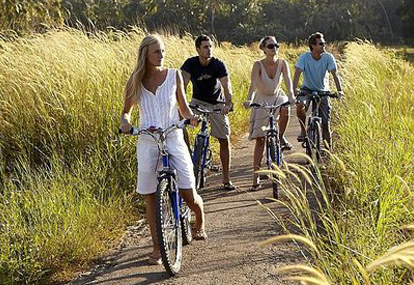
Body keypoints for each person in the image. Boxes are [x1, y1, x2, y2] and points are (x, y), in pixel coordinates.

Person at [120, 35, 207, 266]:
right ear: (145, 55)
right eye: (157, 51)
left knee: (188, 194)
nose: (162, 55)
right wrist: (126, 123)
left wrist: (191, 119)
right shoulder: (135, 80)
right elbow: (126, 112)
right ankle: (157, 247)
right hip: (148, 140)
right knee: (150, 195)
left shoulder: (174, 75)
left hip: (173, 136)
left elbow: (184, 108)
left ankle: (199, 218)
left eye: (163, 51)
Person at [181, 35, 236, 190]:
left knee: (224, 138)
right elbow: (182, 85)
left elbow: (227, 85)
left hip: (217, 104)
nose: (209, 49)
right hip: (197, 103)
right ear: (198, 49)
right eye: (205, 47)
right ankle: (189, 152)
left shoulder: (218, 64)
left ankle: (226, 179)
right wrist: (181, 105)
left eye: (210, 46)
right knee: (177, 121)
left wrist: (228, 103)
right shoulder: (190, 63)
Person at [243, 36, 295, 191]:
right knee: (260, 140)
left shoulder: (282, 63)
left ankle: (279, 138)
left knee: (286, 108)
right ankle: (256, 176)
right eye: (271, 46)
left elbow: (288, 81)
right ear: (264, 49)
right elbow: (253, 84)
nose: (274, 49)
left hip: (277, 95)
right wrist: (249, 99)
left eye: (276, 45)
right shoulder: (258, 65)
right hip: (262, 98)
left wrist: (291, 96)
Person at [293, 32, 344, 150]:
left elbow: (334, 74)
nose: (323, 46)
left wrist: (339, 91)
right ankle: (303, 130)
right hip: (307, 90)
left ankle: (328, 151)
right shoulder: (304, 57)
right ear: (313, 45)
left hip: (323, 92)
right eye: (321, 44)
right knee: (300, 105)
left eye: (324, 43)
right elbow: (297, 73)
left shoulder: (328, 57)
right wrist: (294, 89)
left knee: (325, 123)